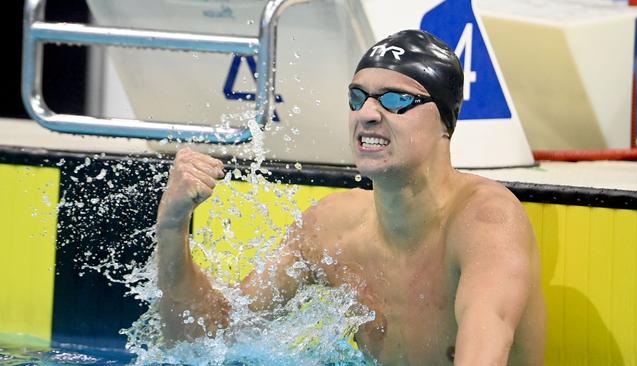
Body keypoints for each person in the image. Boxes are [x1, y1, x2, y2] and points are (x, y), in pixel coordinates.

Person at [156, 29, 545, 365]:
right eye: (358, 97)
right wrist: (171, 228)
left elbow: (485, 354)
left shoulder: (486, 222)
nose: (368, 114)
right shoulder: (331, 228)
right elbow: (203, 340)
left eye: (395, 100)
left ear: (445, 120)